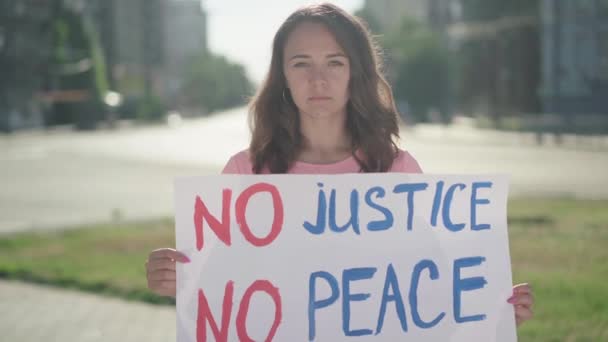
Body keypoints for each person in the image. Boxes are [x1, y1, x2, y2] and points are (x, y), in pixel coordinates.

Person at [145, 2, 533, 327]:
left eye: (334, 62)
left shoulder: (396, 170)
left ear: (355, 73)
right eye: (301, 64)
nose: (318, 79)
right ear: (282, 76)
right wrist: (176, 281)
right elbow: (216, 294)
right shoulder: (245, 174)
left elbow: (427, 289)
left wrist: (488, 310)